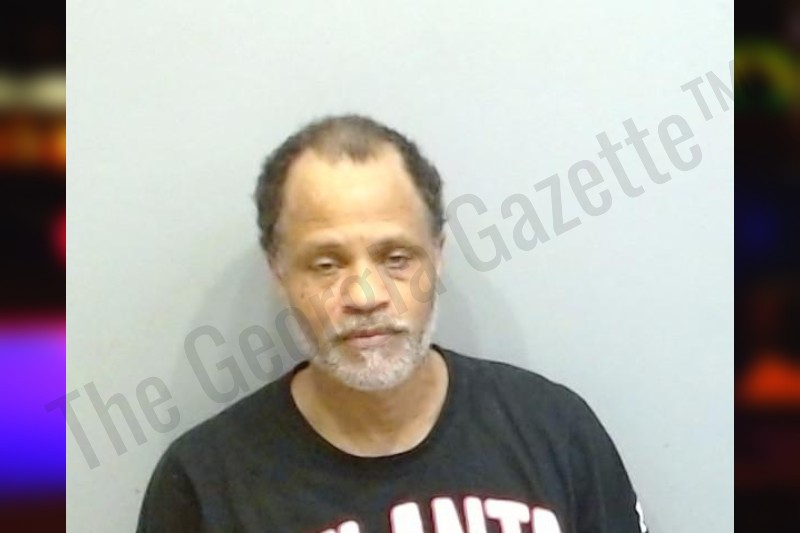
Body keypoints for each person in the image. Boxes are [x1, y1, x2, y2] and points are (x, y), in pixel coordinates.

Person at [137, 115, 649, 533]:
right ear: (279, 272)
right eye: (326, 264)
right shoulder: (204, 484)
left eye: (397, 258)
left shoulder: (557, 432)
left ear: (438, 257)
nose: (366, 296)